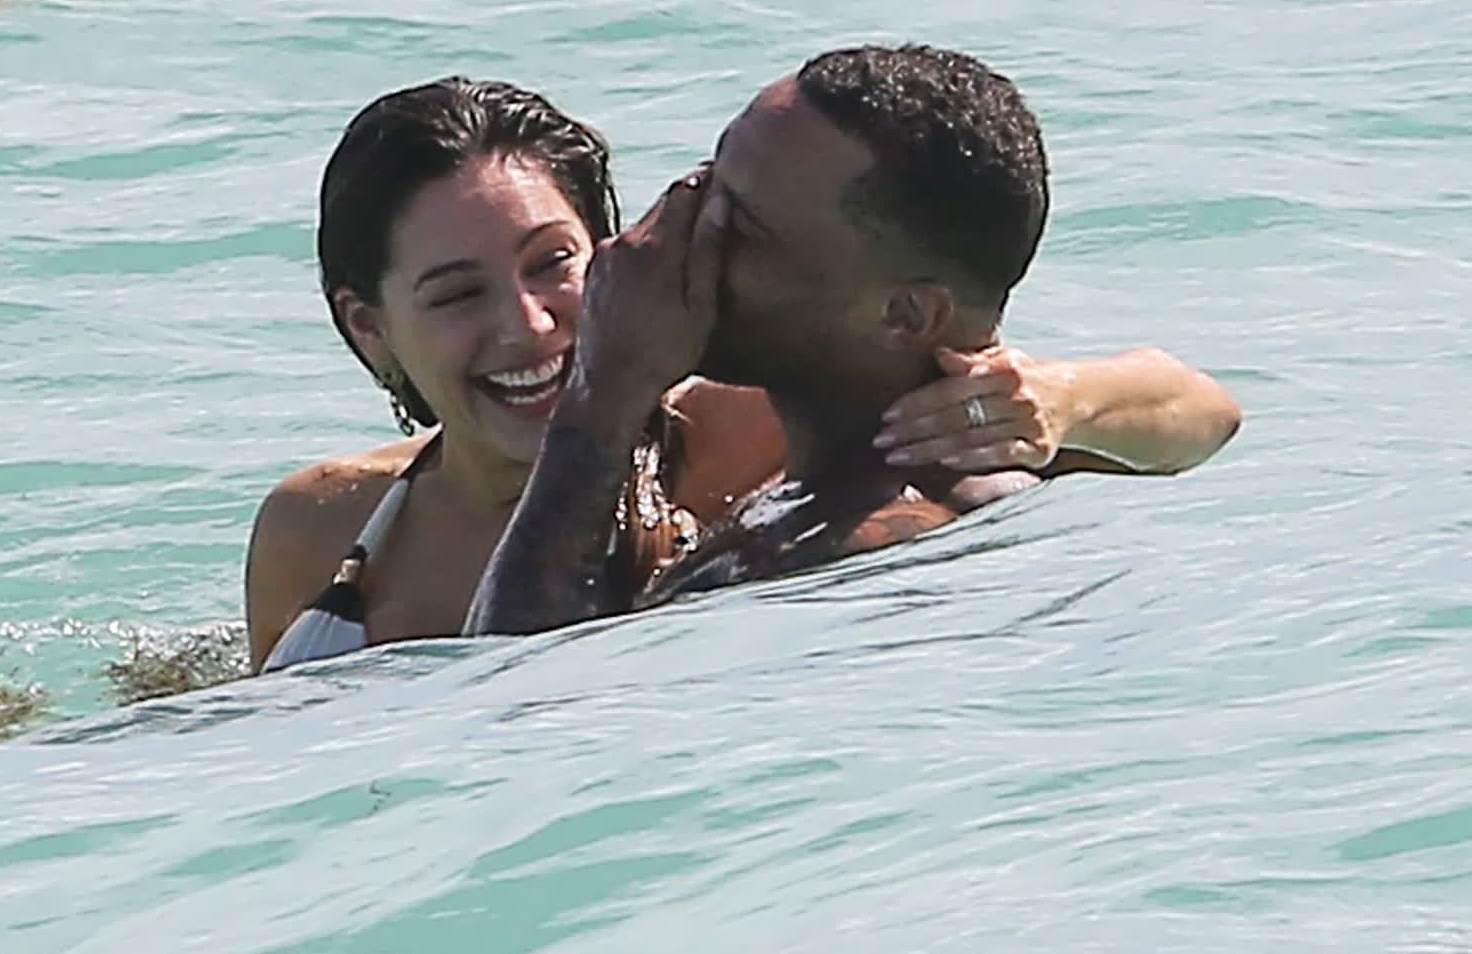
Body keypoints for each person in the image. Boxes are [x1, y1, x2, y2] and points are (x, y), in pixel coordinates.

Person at [0, 74, 1240, 764]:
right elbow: (246, 759)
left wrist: (1060, 393)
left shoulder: (749, 437)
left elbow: (1198, 407)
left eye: (556, 267)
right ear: (372, 329)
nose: (530, 327)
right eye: (457, 293)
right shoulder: (326, 533)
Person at [466, 44, 1239, 634]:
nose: (681, 230)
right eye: (708, 177)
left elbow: (519, 698)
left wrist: (603, 392)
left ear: (904, 316)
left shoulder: (849, 556)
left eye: (742, 226)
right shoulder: (862, 477)